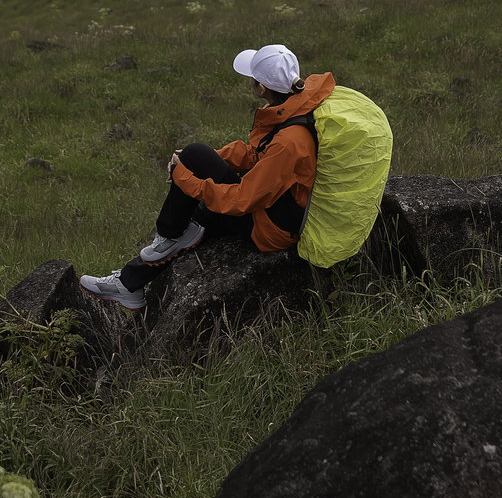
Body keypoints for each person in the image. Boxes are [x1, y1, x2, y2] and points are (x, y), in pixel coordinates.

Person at [80, 43, 336, 310]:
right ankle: (134, 279)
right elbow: (255, 154)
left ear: (260, 88)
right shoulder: (297, 106)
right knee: (195, 163)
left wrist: (186, 179)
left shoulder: (289, 142)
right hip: (272, 207)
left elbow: (242, 200)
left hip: (270, 228)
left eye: (253, 78)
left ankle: (136, 273)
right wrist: (207, 160)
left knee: (195, 216)